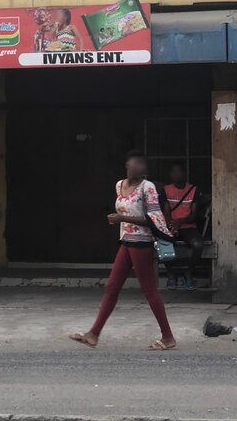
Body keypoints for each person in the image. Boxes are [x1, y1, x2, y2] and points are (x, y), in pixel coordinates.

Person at [69, 150, 176, 351]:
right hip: (126, 241)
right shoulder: (119, 185)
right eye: (137, 163)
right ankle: (93, 333)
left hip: (142, 243)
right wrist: (120, 220)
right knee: (111, 288)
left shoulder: (148, 187)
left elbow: (154, 219)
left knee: (149, 291)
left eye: (143, 164)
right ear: (127, 165)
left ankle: (168, 337)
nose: (141, 167)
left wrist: (121, 218)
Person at [162, 161, 205, 291]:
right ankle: (171, 273)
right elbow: (166, 212)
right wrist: (171, 225)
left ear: (184, 173)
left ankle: (188, 272)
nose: (176, 174)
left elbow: (194, 215)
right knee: (163, 244)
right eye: (173, 171)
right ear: (170, 174)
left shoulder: (193, 190)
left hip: (188, 226)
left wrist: (181, 221)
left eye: (179, 171)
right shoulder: (165, 190)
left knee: (198, 245)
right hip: (171, 225)